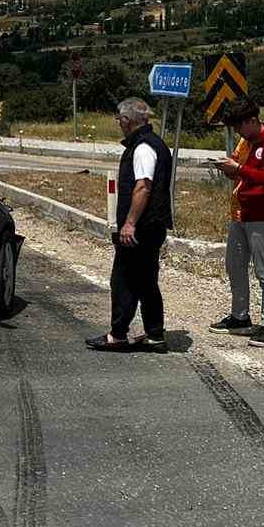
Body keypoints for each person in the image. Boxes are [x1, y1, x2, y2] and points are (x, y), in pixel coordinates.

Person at [87, 97, 174, 354]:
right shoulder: (156, 143)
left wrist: (129, 224)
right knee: (147, 281)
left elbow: (143, 187)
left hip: (142, 227)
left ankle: (118, 334)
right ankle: (155, 334)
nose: (118, 123)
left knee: (124, 279)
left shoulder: (143, 147)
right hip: (153, 225)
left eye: (119, 119)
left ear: (126, 120)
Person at [208, 99, 264, 347]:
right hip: (240, 212)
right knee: (235, 266)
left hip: (263, 215)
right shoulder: (246, 142)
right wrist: (228, 168)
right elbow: (240, 169)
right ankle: (239, 316)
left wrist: (239, 168)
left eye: (239, 128)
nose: (237, 134)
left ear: (252, 121)